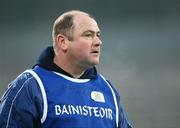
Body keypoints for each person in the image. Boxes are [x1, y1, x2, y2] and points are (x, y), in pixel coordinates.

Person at [0, 10, 132, 128]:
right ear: (63, 42)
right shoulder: (30, 86)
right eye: (88, 35)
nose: (98, 42)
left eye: (98, 35)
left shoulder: (107, 90)